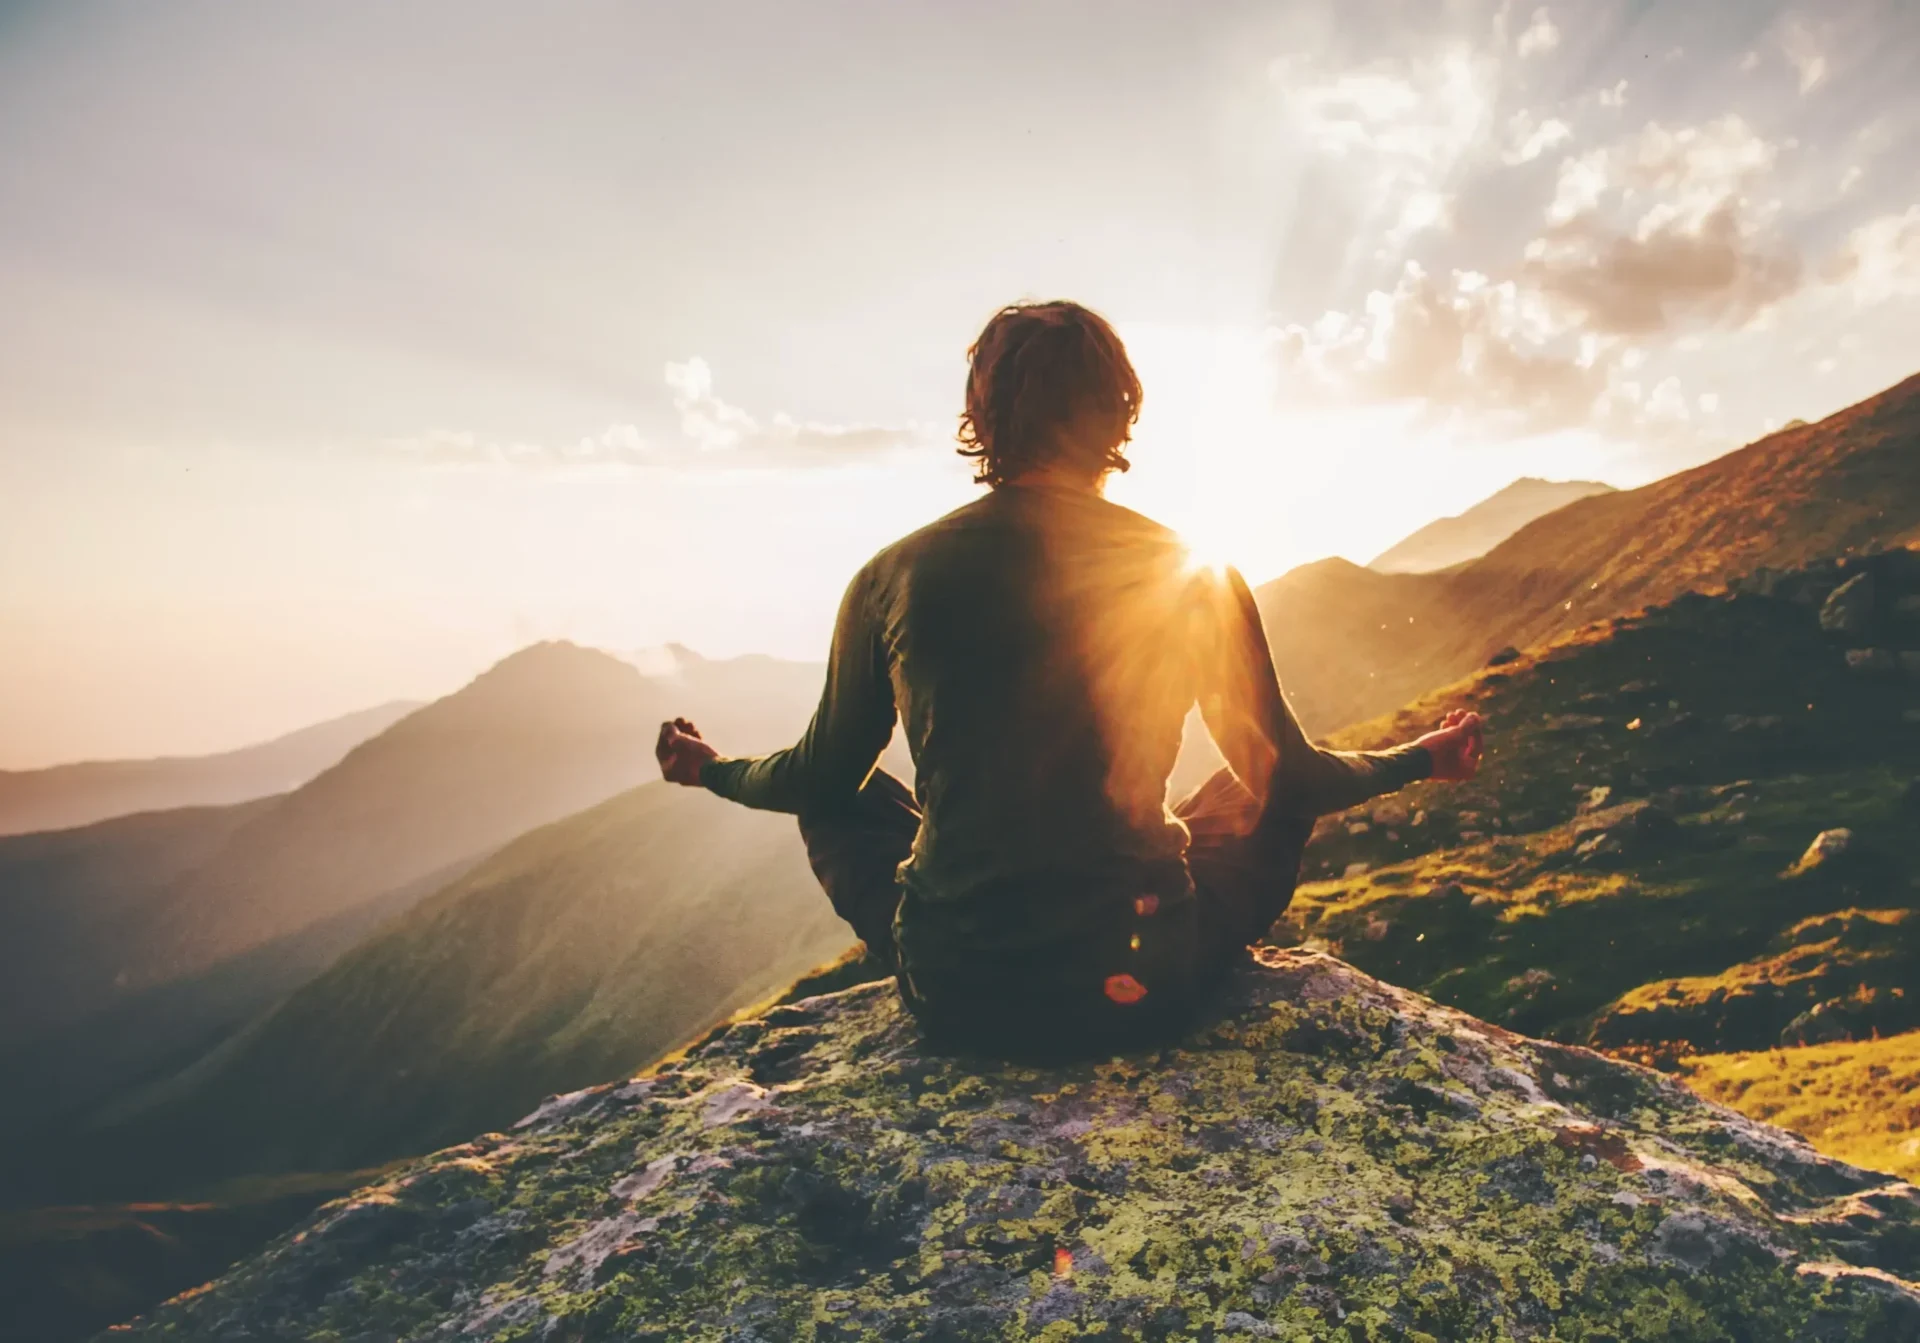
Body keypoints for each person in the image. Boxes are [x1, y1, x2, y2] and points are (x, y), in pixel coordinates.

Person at [657, 300, 1484, 1058]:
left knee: (847, 792)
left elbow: (815, 776)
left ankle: (969, 923)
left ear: (982, 416)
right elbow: (1294, 778)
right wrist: (1422, 757)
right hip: (1139, 987)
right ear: (1120, 411)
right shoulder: (1190, 570)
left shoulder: (892, 576)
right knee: (1251, 789)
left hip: (959, 993)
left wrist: (711, 769)